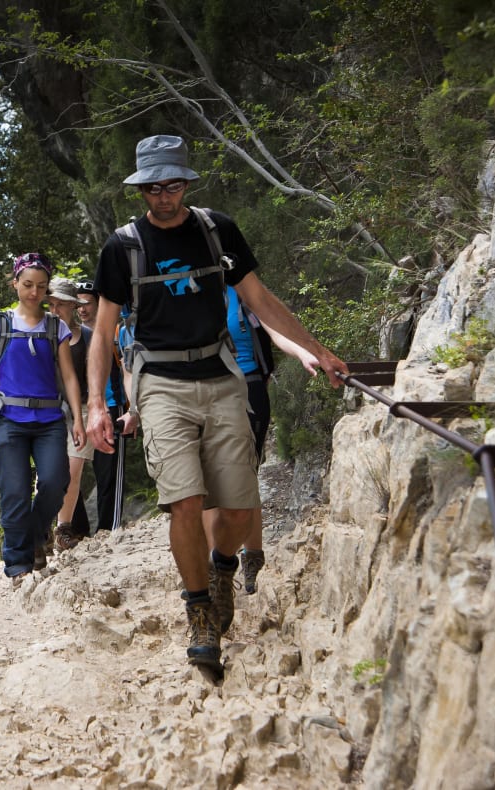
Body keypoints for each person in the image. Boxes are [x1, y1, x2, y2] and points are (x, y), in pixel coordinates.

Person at [86, 134, 347, 672]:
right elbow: (104, 331)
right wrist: (95, 403)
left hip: (222, 375)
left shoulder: (215, 230)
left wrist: (316, 350)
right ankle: (200, 610)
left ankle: (223, 567)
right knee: (185, 501)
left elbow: (260, 300)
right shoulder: (122, 248)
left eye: (174, 184)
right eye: (155, 187)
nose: (165, 196)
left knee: (234, 507)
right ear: (142, 191)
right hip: (158, 380)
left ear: (185, 182)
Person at [0, 253, 85, 586]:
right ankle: (18, 563)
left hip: (49, 419)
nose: (34, 292)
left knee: (55, 481)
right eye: (28, 285)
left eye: (41, 287)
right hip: (10, 420)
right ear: (15, 283)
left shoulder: (55, 326)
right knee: (14, 492)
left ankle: (35, 535)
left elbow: (70, 377)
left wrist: (77, 418)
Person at [202, 285, 321, 594]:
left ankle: (252, 558)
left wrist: (305, 351)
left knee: (243, 477)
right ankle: (216, 568)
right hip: (203, 393)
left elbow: (274, 326)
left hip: (248, 388)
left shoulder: (239, 290)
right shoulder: (182, 290)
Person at [75, 280, 128, 533]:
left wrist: (132, 409)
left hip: (112, 408)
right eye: (78, 304)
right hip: (81, 412)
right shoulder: (71, 337)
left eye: (87, 303)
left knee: (108, 476)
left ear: (98, 304)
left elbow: (128, 370)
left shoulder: (115, 334)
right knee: (69, 473)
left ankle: (108, 532)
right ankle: (78, 532)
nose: (82, 308)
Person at [46, 277, 94, 552]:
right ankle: (42, 529)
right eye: (51, 304)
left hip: (83, 408)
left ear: (73, 306)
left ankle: (63, 528)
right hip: (49, 410)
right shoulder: (40, 335)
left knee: (73, 471)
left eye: (61, 305)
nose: (55, 310)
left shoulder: (88, 336)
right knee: (48, 474)